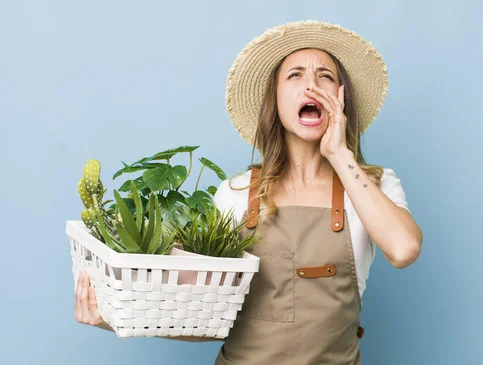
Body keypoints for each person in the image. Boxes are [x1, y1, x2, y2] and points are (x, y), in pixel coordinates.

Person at [74, 20, 423, 364]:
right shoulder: (236, 193)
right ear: (275, 97)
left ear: (340, 99)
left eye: (326, 77)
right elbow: (206, 321)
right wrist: (114, 318)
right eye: (295, 75)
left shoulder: (371, 186)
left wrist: (340, 155)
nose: (312, 87)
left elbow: (404, 249)